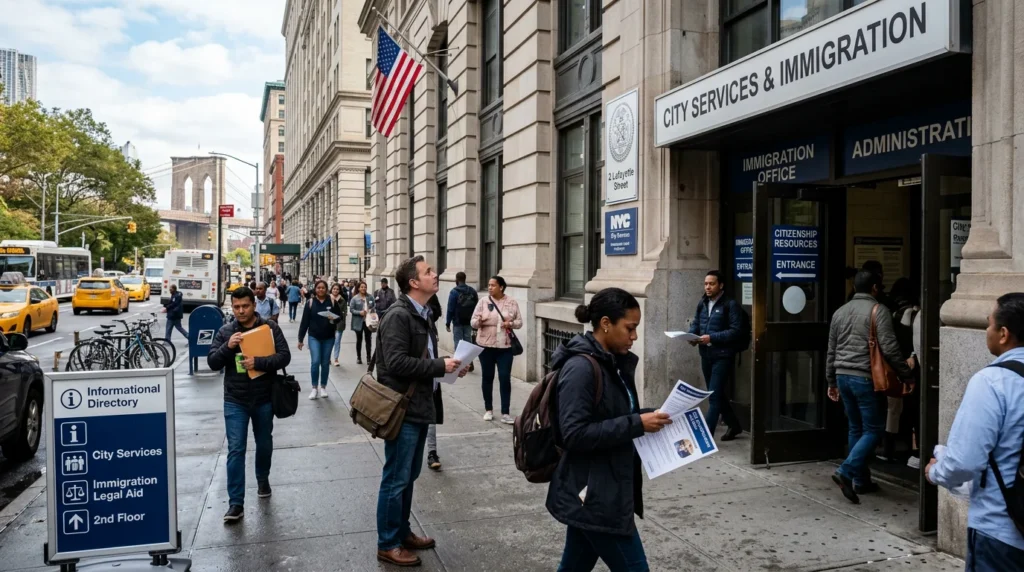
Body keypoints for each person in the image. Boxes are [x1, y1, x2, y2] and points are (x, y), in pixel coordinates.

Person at [547, 288, 672, 572]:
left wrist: (650, 416)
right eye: (630, 328)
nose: (634, 336)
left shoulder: (611, 362)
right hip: (596, 495)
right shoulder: (581, 368)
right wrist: (637, 424)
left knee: (574, 566)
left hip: (599, 489)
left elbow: (615, 414)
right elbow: (574, 433)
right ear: (606, 323)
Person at [374, 256, 464, 567]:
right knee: (396, 478)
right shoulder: (399, 315)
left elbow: (420, 358)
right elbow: (396, 363)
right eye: (428, 272)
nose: (435, 274)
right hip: (403, 409)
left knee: (408, 476)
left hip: (419, 405)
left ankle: (402, 532)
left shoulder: (422, 314)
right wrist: (439, 365)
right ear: (414, 282)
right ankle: (387, 543)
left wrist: (447, 368)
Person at [926, 292, 1024, 569]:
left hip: (1002, 532)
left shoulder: (992, 381)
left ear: (1003, 333)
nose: (986, 331)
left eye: (988, 324)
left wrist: (935, 471)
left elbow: (964, 462)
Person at [826, 270, 914, 504]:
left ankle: (861, 480)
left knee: (856, 428)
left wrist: (831, 381)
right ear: (875, 288)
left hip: (843, 376)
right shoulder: (879, 310)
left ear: (855, 288)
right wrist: (907, 375)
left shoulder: (840, 312)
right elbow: (890, 348)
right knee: (874, 430)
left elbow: (831, 350)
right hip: (865, 378)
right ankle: (846, 471)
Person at [207, 287, 291, 523]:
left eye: (245, 306)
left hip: (264, 398)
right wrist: (228, 347)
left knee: (264, 443)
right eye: (236, 307)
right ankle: (236, 503)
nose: (241, 311)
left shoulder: (269, 328)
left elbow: (284, 356)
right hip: (235, 400)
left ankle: (262, 478)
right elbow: (213, 362)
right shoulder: (225, 332)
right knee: (236, 450)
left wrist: (259, 362)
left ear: (254, 305)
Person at [686, 270, 745, 440]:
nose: (708, 287)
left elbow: (736, 331)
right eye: (705, 284)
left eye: (711, 284)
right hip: (706, 354)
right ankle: (734, 426)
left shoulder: (730, 304)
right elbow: (696, 322)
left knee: (713, 395)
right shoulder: (703, 302)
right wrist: (692, 336)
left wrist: (712, 337)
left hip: (723, 355)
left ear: (721, 285)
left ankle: (705, 437)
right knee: (716, 393)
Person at [470, 276, 523, 424]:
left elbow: (520, 322)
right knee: (487, 377)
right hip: (485, 346)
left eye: (493, 285)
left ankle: (505, 412)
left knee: (505, 377)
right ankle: (488, 409)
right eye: (488, 285)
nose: (490, 287)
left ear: (501, 287)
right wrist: (478, 321)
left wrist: (510, 323)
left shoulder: (511, 302)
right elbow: (472, 322)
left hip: (505, 347)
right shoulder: (483, 302)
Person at [298, 279, 342, 400]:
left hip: (329, 337)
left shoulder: (332, 301)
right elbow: (304, 322)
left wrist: (333, 319)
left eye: (323, 288)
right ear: (315, 289)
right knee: (315, 361)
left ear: (326, 289)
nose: (321, 289)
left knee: (325, 363)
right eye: (318, 288)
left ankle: (323, 387)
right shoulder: (310, 302)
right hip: (314, 337)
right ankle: (314, 388)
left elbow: (340, 317)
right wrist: (300, 339)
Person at [425, 292, 445, 471]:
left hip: (430, 381)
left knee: (431, 415)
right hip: (411, 386)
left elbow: (432, 354)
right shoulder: (399, 316)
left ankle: (432, 452)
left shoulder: (430, 326)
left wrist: (445, 365)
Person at [446, 271, 478, 373]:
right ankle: (469, 362)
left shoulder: (454, 292)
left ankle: (459, 365)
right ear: (465, 279)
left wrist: (448, 322)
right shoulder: (472, 291)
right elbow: (477, 307)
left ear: (456, 280)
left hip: (457, 321)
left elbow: (450, 309)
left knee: (458, 342)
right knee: (468, 341)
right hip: (469, 321)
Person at [350, 281, 375, 365]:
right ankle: (359, 357)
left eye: (365, 287)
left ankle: (369, 358)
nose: (363, 288)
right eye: (362, 287)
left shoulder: (370, 297)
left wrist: (371, 310)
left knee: (368, 340)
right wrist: (359, 312)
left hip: (368, 322)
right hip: (359, 322)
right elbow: (351, 309)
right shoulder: (355, 298)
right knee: (359, 340)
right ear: (358, 288)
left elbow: (374, 306)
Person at [329, 283, 349, 367]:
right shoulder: (327, 299)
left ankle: (336, 358)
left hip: (339, 323)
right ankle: (328, 358)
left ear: (339, 290)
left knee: (337, 341)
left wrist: (342, 321)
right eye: (334, 289)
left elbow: (344, 312)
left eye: (337, 289)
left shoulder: (342, 300)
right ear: (331, 289)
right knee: (329, 342)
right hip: (329, 323)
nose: (335, 290)